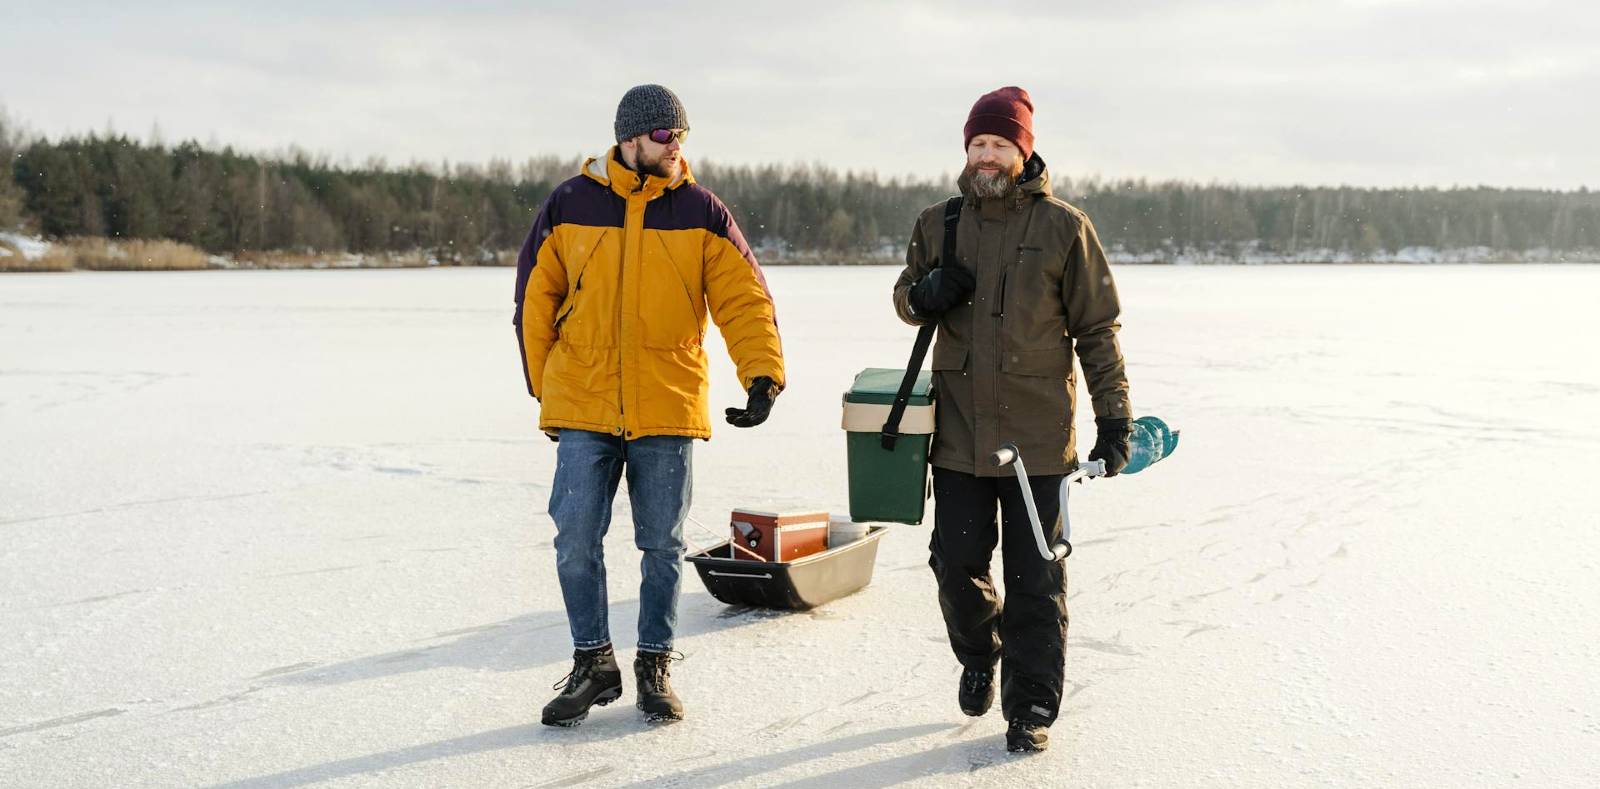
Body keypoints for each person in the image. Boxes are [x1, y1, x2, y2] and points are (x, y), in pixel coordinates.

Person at [514, 83, 785, 727]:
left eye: (680, 135)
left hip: (666, 402)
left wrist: (763, 375)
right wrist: (544, 389)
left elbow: (744, 299)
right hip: (583, 401)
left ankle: (654, 665)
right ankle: (593, 663)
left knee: (660, 544)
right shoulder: (570, 203)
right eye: (665, 135)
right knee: (575, 540)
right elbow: (534, 299)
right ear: (630, 139)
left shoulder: (701, 210)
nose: (675, 146)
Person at [892, 86, 1133, 753]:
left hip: (1037, 443)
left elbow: (1097, 329)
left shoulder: (1064, 227)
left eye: (999, 144)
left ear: (1022, 150)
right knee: (954, 566)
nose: (986, 156)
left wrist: (1114, 419)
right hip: (959, 434)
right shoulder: (938, 222)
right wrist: (924, 293)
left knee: (1037, 579)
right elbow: (906, 298)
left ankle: (1030, 705)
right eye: (977, 144)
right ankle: (979, 651)